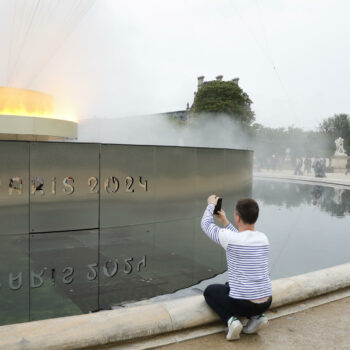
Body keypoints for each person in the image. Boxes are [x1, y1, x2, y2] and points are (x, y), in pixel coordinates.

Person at [201, 196, 272, 341]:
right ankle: (258, 317)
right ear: (255, 218)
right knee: (231, 286)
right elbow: (242, 237)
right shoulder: (263, 239)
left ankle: (231, 322)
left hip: (243, 304)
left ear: (238, 218)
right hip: (266, 302)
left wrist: (211, 205)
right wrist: (225, 222)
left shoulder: (231, 239)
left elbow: (206, 224)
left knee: (210, 291)